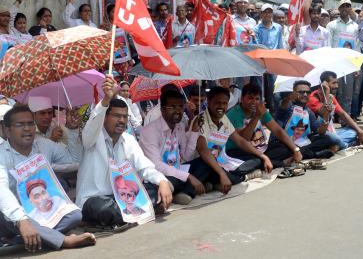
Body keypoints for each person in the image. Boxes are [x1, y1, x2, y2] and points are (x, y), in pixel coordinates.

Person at [76, 75, 172, 227]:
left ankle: (126, 215)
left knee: (156, 188)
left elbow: (145, 168)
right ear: (105, 117)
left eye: (124, 117)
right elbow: (92, 125)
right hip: (95, 199)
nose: (121, 120)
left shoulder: (129, 140)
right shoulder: (93, 138)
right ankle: (140, 211)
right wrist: (106, 100)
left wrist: (162, 181)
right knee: (102, 208)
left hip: (122, 198)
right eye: (116, 116)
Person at [0, 105, 94, 252]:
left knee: (75, 215)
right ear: (7, 130)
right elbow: (2, 192)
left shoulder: (42, 144)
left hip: (40, 211)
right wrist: (22, 221)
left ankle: (32, 237)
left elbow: (74, 160)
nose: (27, 129)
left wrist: (73, 130)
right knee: (6, 212)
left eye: (30, 123)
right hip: (12, 216)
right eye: (20, 125)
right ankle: (61, 240)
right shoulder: (2, 154)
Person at [193, 87, 274, 192]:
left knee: (257, 160)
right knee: (216, 172)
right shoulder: (200, 120)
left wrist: (263, 156)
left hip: (222, 161)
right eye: (218, 103)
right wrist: (222, 174)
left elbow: (240, 140)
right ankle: (241, 178)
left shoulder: (223, 118)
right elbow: (203, 150)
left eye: (224, 103)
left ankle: (215, 182)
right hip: (205, 164)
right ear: (209, 101)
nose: (221, 106)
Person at [140, 90, 210, 205]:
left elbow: (187, 156)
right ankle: (187, 190)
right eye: (172, 107)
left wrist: (194, 131)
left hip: (177, 170)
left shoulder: (179, 127)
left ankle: (183, 192)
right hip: (159, 175)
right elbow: (156, 165)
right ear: (163, 110)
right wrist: (188, 176)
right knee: (171, 180)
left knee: (205, 162)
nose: (178, 110)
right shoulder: (150, 131)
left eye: (180, 106)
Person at [226, 83, 303, 167]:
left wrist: (296, 150)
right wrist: (256, 117)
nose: (254, 102)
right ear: (242, 99)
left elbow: (278, 130)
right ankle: (281, 163)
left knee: (286, 147)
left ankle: (270, 162)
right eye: (250, 98)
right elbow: (245, 139)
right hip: (239, 151)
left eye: (257, 99)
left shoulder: (260, 110)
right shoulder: (233, 114)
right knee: (253, 161)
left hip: (259, 149)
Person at [274, 80, 339, 159]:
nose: (305, 94)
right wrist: (288, 98)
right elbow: (283, 107)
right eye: (301, 92)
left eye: (307, 92)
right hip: (286, 144)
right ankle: (313, 154)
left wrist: (326, 114)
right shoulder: (288, 105)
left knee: (326, 138)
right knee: (281, 151)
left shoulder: (308, 111)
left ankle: (302, 155)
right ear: (294, 93)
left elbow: (320, 131)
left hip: (302, 143)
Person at [307, 71, 363, 149]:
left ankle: (336, 145)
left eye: (337, 83)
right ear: (325, 84)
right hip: (318, 134)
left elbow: (343, 114)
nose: (337, 86)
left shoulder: (331, 97)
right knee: (334, 138)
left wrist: (359, 131)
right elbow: (325, 113)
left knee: (353, 132)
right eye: (334, 83)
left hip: (331, 132)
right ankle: (346, 145)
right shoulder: (312, 99)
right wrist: (327, 91)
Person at [326, 0, 359, 115]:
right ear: (339, 9)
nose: (345, 8)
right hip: (334, 63)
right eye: (343, 6)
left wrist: (356, 66)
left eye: (347, 6)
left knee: (347, 94)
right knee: (332, 93)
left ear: (350, 9)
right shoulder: (332, 25)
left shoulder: (355, 26)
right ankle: (330, 118)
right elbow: (328, 44)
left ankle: (345, 121)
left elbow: (356, 47)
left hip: (349, 64)